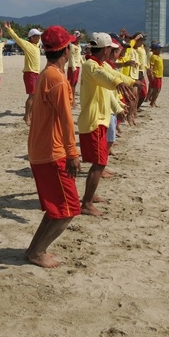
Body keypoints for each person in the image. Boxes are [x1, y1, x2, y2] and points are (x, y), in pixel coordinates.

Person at [25, 26, 81, 268]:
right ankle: (37, 252)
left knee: (57, 209)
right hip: (53, 151)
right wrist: (73, 153)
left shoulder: (48, 74)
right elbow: (67, 121)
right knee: (68, 210)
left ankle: (34, 250)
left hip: (43, 149)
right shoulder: (56, 79)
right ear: (66, 50)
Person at [78, 32, 139, 216]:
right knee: (99, 163)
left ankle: (91, 196)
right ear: (105, 49)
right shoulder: (90, 66)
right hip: (93, 121)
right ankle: (86, 203)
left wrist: (133, 82)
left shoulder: (101, 64)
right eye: (111, 49)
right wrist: (120, 83)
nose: (113, 52)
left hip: (101, 120)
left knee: (100, 162)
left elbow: (112, 78)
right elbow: (108, 78)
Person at [6, 23, 42, 125]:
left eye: (40, 36)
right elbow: (16, 38)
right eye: (38, 36)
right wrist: (9, 30)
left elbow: (41, 38)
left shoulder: (37, 45)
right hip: (29, 73)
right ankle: (26, 116)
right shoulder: (27, 44)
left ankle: (30, 115)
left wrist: (38, 30)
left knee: (35, 95)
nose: (39, 37)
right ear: (32, 37)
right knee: (32, 95)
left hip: (36, 73)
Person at [66, 30, 83, 107]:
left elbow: (79, 56)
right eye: (79, 37)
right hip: (73, 66)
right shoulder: (71, 46)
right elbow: (71, 56)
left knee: (75, 84)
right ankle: (70, 100)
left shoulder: (78, 46)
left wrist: (83, 63)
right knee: (71, 84)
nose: (80, 39)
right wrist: (73, 67)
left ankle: (73, 100)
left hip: (78, 65)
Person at [147, 42, 164, 107]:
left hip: (159, 75)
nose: (159, 50)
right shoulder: (153, 57)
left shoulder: (159, 56)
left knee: (157, 90)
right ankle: (152, 102)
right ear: (154, 50)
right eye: (158, 49)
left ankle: (153, 102)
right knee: (157, 90)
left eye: (160, 49)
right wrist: (151, 74)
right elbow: (151, 66)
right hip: (155, 75)